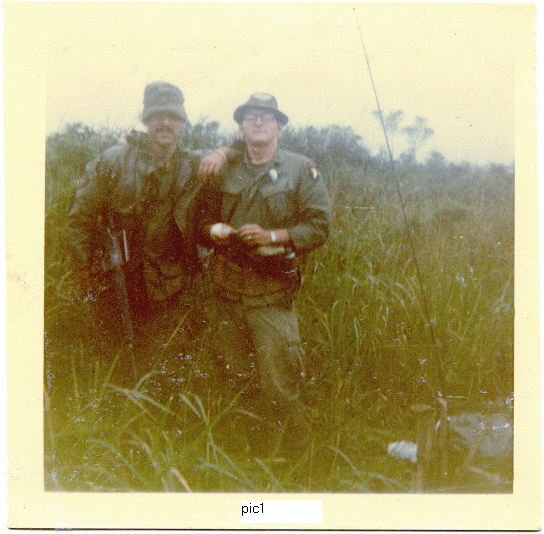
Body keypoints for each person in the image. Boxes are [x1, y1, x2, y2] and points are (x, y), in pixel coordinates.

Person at [66, 81, 234, 377]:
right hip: (117, 283)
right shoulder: (113, 160)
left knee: (163, 367)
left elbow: (246, 149)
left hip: (171, 286)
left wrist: (221, 153)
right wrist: (83, 268)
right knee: (114, 365)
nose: (165, 123)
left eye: (173, 117)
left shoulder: (196, 164)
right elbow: (80, 217)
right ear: (145, 120)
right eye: (157, 116)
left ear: (183, 123)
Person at [198, 93, 332, 457]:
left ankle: (300, 464)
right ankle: (248, 456)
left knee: (280, 385)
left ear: (280, 126)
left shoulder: (300, 169)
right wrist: (214, 231)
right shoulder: (225, 169)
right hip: (227, 290)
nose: (258, 122)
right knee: (235, 380)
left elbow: (320, 227)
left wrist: (272, 236)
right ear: (241, 127)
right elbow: (201, 220)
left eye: (267, 116)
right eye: (250, 117)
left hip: (271, 295)